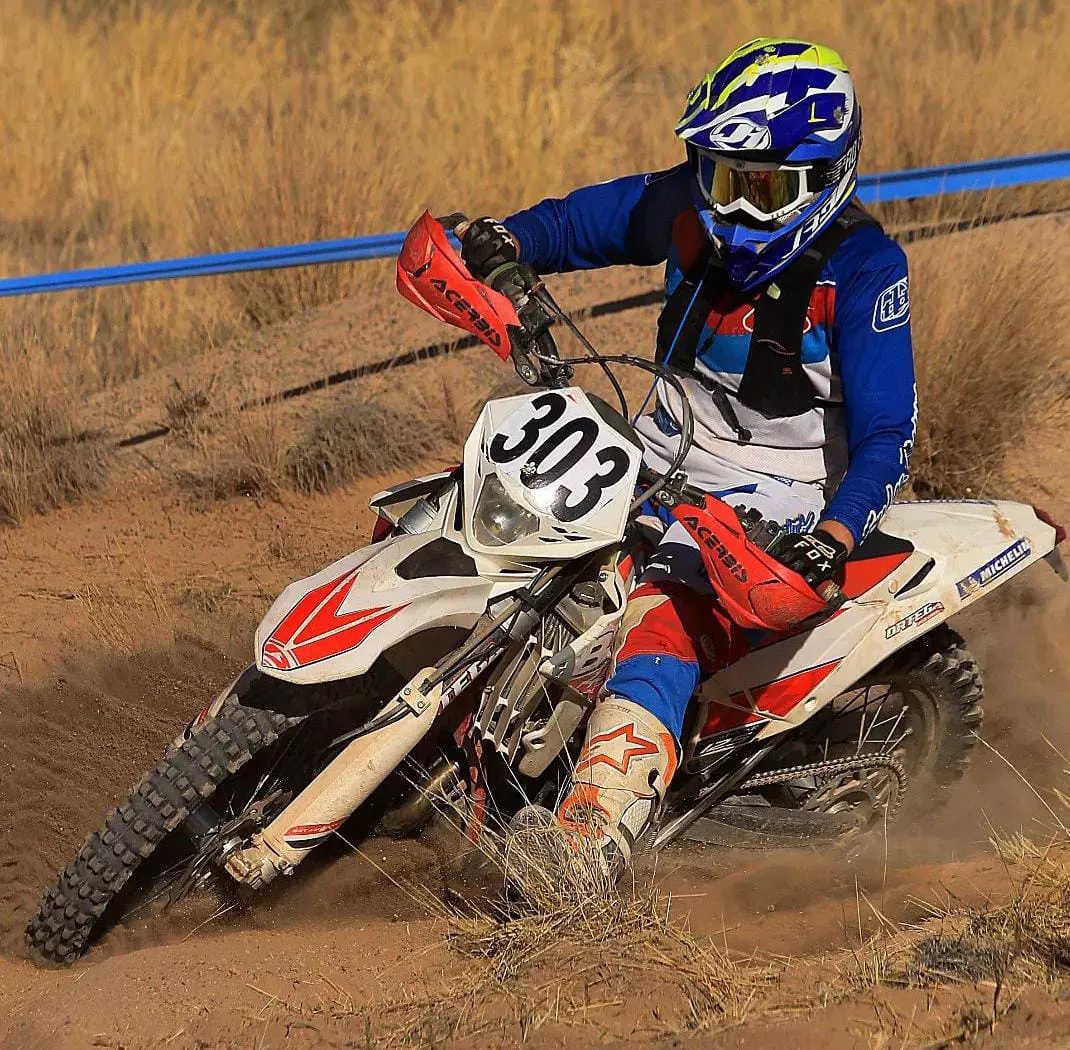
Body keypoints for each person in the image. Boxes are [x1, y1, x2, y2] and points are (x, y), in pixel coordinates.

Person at [459, 38, 917, 877]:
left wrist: (837, 536)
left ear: (823, 178)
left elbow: (890, 432)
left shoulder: (864, 267)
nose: (732, 208)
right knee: (484, 517)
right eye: (718, 176)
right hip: (651, 448)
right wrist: (503, 242)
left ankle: (591, 846)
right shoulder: (690, 204)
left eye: (761, 187)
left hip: (775, 498)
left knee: (661, 614)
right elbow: (573, 226)